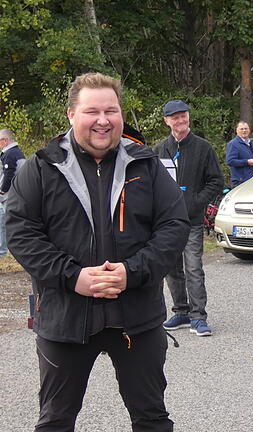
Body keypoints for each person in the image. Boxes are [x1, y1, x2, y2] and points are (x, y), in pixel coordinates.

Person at [5, 72, 190, 431]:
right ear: (72, 114)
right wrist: (72, 277)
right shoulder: (42, 167)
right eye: (92, 111)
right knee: (55, 421)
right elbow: (20, 232)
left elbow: (174, 225)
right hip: (65, 318)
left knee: (152, 419)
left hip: (136, 318)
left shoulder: (146, 164)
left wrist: (132, 271)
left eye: (112, 110)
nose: (103, 120)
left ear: (121, 115)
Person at [155, 99, 224, 336]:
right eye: (175, 117)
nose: (180, 120)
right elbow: (152, 182)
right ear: (167, 121)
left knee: (193, 268)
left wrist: (196, 201)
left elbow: (216, 181)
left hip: (192, 220)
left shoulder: (203, 147)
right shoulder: (160, 149)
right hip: (166, 222)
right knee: (171, 268)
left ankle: (198, 316)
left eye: (183, 115)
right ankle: (181, 311)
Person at [0, 129, 25, 258]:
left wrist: (2, 190)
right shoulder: (17, 153)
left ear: (5, 141)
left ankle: (4, 252)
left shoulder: (9, 154)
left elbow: (9, 175)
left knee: (6, 223)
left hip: (9, 195)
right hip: (18, 193)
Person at [226, 121, 253, 188]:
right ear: (237, 131)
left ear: (249, 130)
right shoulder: (233, 144)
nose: (244, 130)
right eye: (241, 129)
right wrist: (246, 162)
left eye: (246, 128)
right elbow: (230, 161)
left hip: (252, 180)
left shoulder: (252, 143)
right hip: (240, 181)